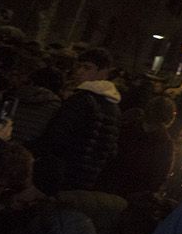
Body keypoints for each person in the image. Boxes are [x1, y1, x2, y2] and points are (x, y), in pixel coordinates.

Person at [33, 47, 122, 193]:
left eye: (87, 68)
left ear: (103, 72)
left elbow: (56, 137)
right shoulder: (114, 106)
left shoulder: (82, 100)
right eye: (78, 66)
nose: (79, 71)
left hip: (63, 176)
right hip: (86, 181)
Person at [95, 95, 177, 198]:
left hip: (104, 182)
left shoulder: (126, 126)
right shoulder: (165, 144)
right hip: (129, 194)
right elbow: (159, 176)